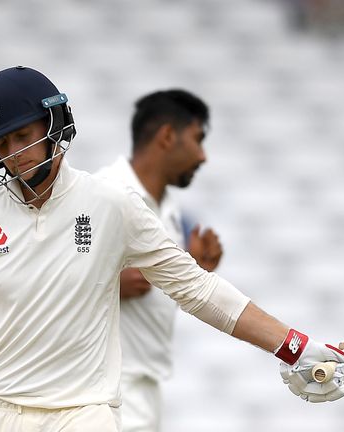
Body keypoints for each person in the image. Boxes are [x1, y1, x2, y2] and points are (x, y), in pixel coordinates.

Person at [0, 66, 344, 432]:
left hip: (81, 415)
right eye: (2, 143)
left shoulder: (111, 205)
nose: (15, 153)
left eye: (22, 135)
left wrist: (295, 346)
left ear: (53, 123)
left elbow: (197, 290)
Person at [95, 89, 222, 432]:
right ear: (167, 136)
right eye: (198, 139)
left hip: (142, 386)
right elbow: (46, 276)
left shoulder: (167, 209)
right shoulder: (104, 194)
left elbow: (146, 289)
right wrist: (105, 283)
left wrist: (192, 269)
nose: (203, 156)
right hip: (103, 392)